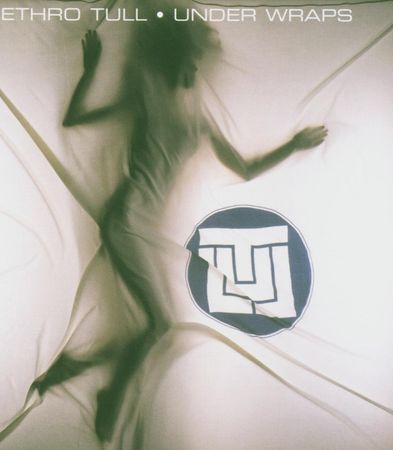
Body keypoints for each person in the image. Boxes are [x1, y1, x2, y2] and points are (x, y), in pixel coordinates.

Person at [44, 2, 327, 440]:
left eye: (200, 57)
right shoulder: (146, 91)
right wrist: (91, 71)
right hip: (125, 221)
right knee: (161, 324)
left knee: (157, 325)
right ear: (175, 55)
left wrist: (293, 144)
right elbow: (74, 119)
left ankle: (82, 365)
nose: (198, 64)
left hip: (142, 228)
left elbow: (245, 168)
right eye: (193, 54)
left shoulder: (198, 118)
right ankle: (109, 394)